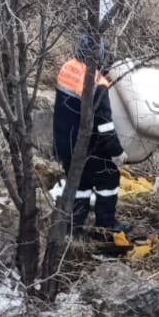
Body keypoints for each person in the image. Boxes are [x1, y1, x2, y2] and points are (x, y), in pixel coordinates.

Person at [52, 35, 123, 230]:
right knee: (108, 178)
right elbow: (104, 125)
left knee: (80, 183)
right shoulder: (98, 84)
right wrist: (116, 152)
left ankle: (74, 226)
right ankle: (105, 226)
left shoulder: (67, 67)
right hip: (85, 146)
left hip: (63, 142)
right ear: (99, 54)